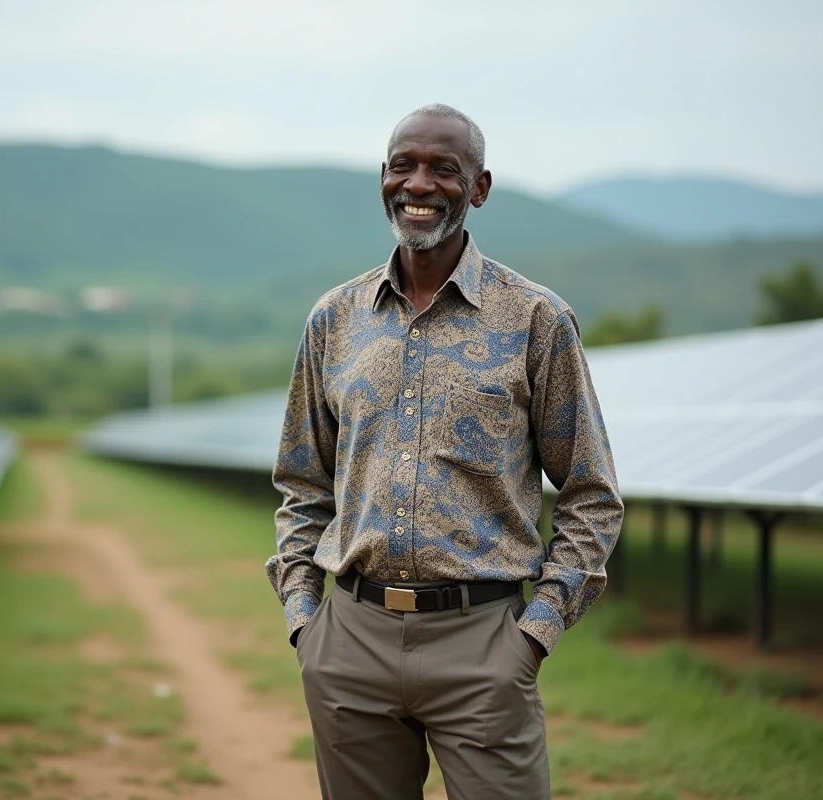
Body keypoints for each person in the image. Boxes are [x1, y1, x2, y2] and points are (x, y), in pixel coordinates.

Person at [265, 104, 625, 800]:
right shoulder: (333, 320)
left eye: (443, 169)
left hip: (485, 643)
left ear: (479, 188)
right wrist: (306, 622)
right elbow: (302, 485)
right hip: (350, 640)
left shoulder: (535, 319)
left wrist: (533, 636)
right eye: (404, 165)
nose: (419, 184)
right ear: (383, 178)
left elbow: (590, 493)